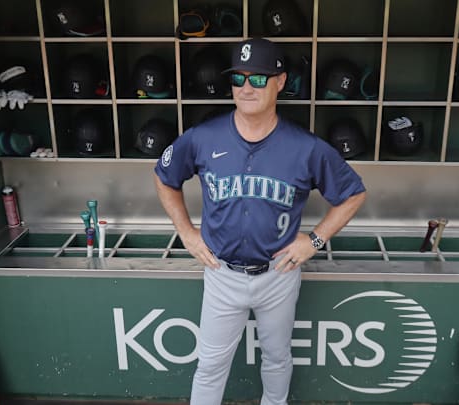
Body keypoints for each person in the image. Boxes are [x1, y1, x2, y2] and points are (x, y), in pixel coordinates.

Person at [154, 38, 366, 405]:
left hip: (277, 273)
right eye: (238, 79)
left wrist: (313, 241)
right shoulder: (204, 137)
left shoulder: (306, 147)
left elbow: (353, 194)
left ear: (280, 82)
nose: (246, 88)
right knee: (210, 365)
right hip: (221, 272)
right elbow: (164, 176)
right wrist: (186, 233)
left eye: (258, 79)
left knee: (278, 357)